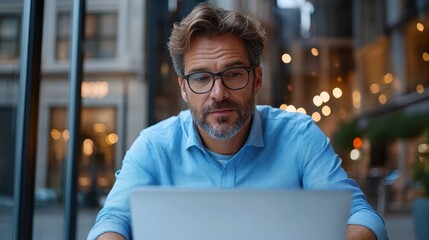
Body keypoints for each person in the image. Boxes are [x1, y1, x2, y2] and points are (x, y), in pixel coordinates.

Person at [88, 3, 388, 240]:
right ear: (183, 88)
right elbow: (112, 221)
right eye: (201, 77)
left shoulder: (300, 136)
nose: (218, 93)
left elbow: (360, 216)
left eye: (233, 74)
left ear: (256, 79)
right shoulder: (153, 146)